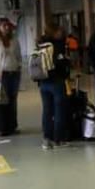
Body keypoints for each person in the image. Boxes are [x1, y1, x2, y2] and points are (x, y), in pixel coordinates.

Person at [36, 21, 71, 150]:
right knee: (59, 110)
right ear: (54, 31)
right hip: (56, 81)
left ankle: (46, 139)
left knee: (47, 111)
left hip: (43, 81)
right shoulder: (56, 45)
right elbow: (61, 63)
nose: (61, 33)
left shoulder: (40, 44)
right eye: (59, 31)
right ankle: (58, 139)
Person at [0, 18, 22, 134]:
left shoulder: (14, 40)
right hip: (2, 74)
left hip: (14, 72)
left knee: (13, 100)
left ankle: (13, 125)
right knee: (1, 100)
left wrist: (19, 66)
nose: (6, 28)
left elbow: (18, 55)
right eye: (3, 26)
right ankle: (2, 126)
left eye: (8, 25)